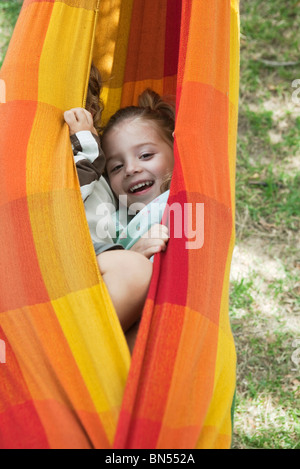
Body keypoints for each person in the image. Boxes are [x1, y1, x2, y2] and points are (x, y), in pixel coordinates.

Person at [64, 64, 153, 353]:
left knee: (147, 332)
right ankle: (77, 358)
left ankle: (106, 375)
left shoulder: (104, 173)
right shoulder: (70, 162)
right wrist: (86, 146)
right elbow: (66, 198)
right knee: (133, 271)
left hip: (97, 276)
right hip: (64, 262)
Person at [101, 88, 175, 259]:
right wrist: (134, 255)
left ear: (176, 150)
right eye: (116, 167)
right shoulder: (111, 223)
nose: (130, 169)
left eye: (146, 155)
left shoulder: (186, 198)